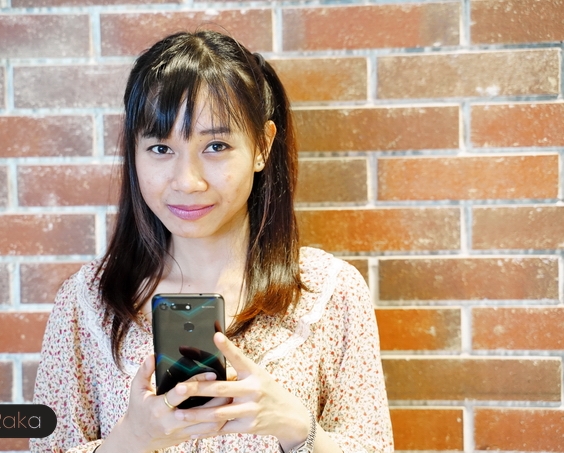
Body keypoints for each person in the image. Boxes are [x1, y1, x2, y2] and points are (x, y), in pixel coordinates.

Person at [30, 30, 394, 453]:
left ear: (262, 146)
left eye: (216, 146)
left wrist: (296, 427)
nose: (187, 181)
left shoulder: (328, 293)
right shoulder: (88, 302)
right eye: (160, 148)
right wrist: (134, 439)